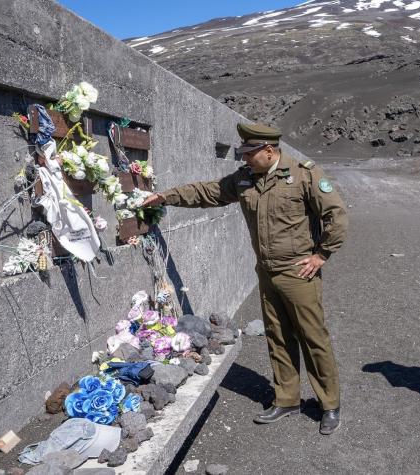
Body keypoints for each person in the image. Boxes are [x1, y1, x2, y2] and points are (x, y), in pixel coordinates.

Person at [141, 123, 348, 435]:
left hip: (298, 273)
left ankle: (329, 405)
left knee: (312, 337)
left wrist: (321, 255)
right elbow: (207, 192)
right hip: (265, 272)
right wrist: (164, 197)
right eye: (243, 154)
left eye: (250, 153)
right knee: (278, 337)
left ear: (269, 150)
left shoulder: (304, 173)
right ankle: (287, 398)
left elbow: (336, 214)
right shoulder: (245, 179)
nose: (245, 159)